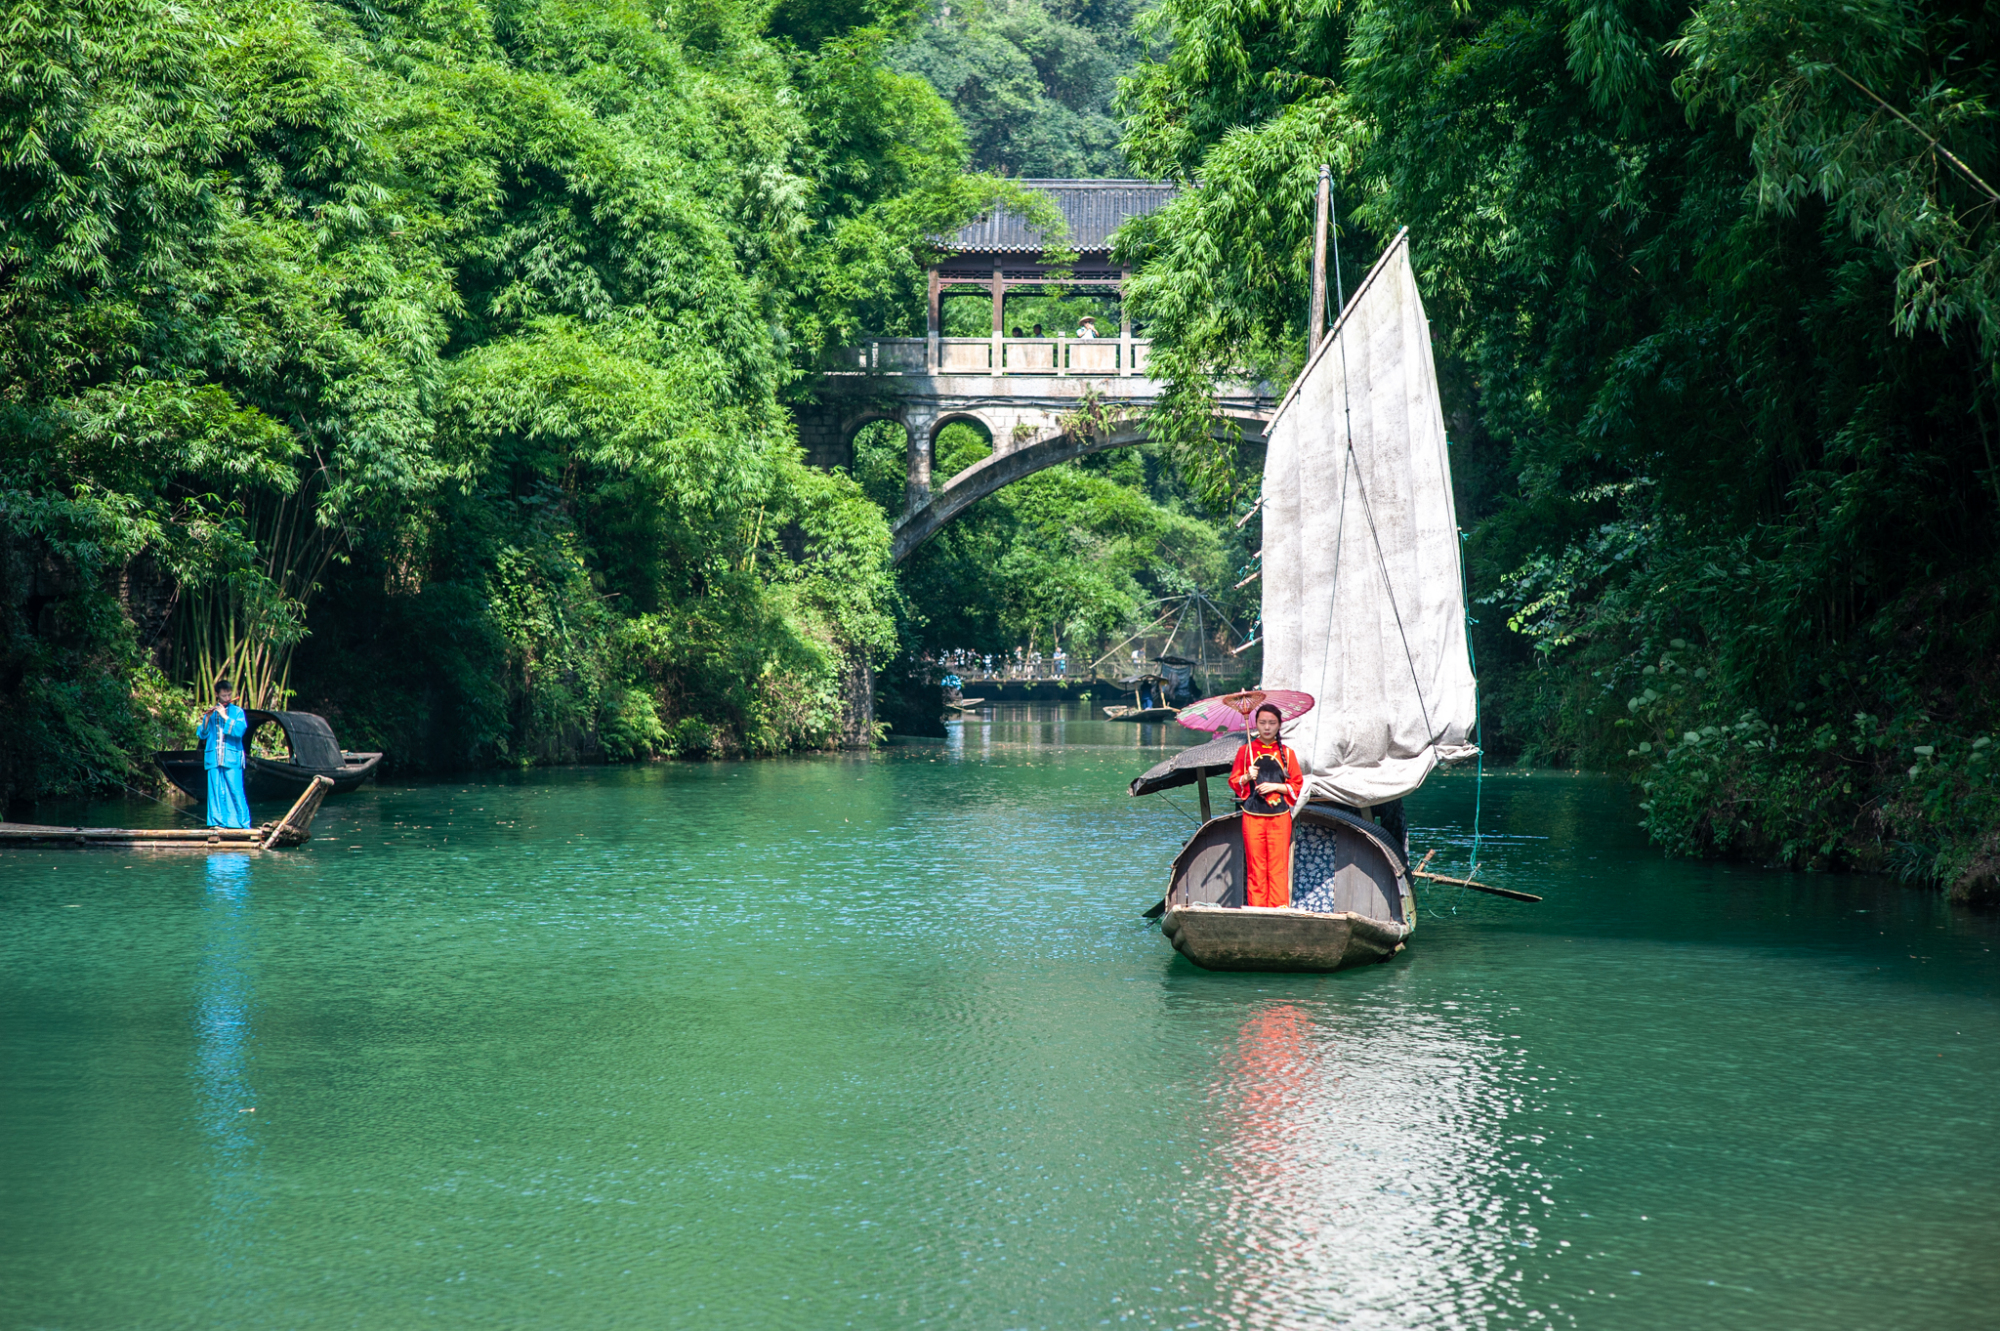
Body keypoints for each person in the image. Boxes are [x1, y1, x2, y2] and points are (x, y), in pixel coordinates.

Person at [1229, 703, 1303, 908]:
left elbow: (1297, 784)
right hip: (1252, 816)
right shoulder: (1245, 752)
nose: (1267, 727)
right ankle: (1257, 909)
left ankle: (1279, 909)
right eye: (1262, 723)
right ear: (1256, 725)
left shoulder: (1287, 754)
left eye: (1272, 723)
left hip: (1279, 817)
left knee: (1278, 866)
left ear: (1279, 725)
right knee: (1256, 866)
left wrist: (1276, 787)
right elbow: (1234, 782)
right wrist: (1246, 776)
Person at [197, 680, 251, 829]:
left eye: (229, 695)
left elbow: (240, 731)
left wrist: (226, 717)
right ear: (217, 695)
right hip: (214, 758)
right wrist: (207, 718)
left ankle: (242, 824)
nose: (227, 698)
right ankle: (217, 823)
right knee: (215, 791)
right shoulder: (213, 712)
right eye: (224, 695)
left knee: (235, 790)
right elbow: (202, 734)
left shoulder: (237, 712)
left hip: (232, 757)